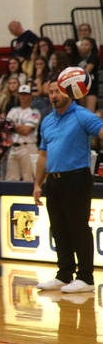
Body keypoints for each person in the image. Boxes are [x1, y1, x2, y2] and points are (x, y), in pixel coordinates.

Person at [33, 74, 103, 293]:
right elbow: (43, 156)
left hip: (77, 178)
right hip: (53, 181)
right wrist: (37, 184)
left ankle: (86, 278)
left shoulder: (82, 115)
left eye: (58, 91)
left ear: (70, 91)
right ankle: (64, 274)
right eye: (51, 91)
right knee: (59, 229)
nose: (54, 95)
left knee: (78, 228)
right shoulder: (48, 120)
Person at [6, 84, 41, 182]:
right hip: (13, 147)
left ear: (30, 96)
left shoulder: (34, 112)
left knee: (28, 178)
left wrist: (14, 126)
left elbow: (26, 131)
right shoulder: (13, 110)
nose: (23, 97)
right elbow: (6, 127)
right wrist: (19, 127)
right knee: (11, 179)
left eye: (26, 94)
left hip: (27, 147)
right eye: (21, 94)